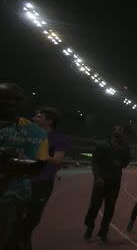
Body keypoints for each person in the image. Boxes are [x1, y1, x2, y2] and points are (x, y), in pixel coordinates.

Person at [0, 83, 49, 249]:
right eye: (6, 97)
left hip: (14, 198)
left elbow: (39, 165)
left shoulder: (37, 133)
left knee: (9, 239)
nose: (11, 102)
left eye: (17, 99)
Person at [22, 107, 67, 249]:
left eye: (39, 116)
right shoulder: (25, 133)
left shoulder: (59, 138)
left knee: (33, 216)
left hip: (41, 182)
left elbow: (58, 160)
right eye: (35, 116)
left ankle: (24, 238)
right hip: (20, 180)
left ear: (50, 121)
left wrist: (41, 155)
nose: (34, 118)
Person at [84, 126, 130, 243]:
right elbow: (94, 162)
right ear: (112, 131)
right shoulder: (102, 145)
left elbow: (127, 161)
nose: (119, 132)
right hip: (101, 180)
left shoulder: (125, 147)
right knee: (94, 206)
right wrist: (97, 177)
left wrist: (121, 164)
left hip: (115, 181)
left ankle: (103, 231)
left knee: (110, 208)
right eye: (117, 129)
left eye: (121, 130)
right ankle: (90, 226)